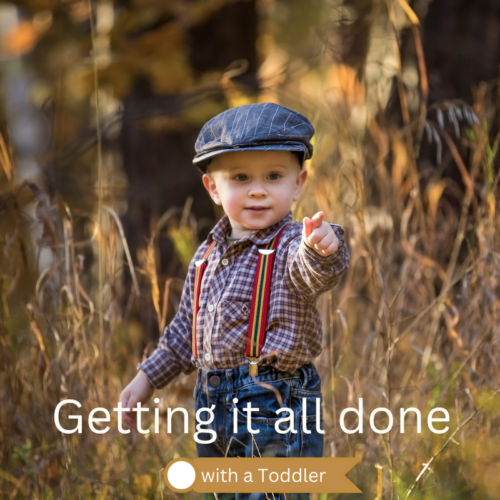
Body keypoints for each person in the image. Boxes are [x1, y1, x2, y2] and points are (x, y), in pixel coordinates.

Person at [120, 102, 350, 499]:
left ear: (298, 183)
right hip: (212, 406)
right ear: (213, 187)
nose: (258, 189)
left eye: (274, 176)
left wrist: (322, 247)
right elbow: (183, 333)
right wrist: (146, 380)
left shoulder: (293, 242)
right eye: (240, 177)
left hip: (274, 400)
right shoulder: (206, 256)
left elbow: (313, 272)